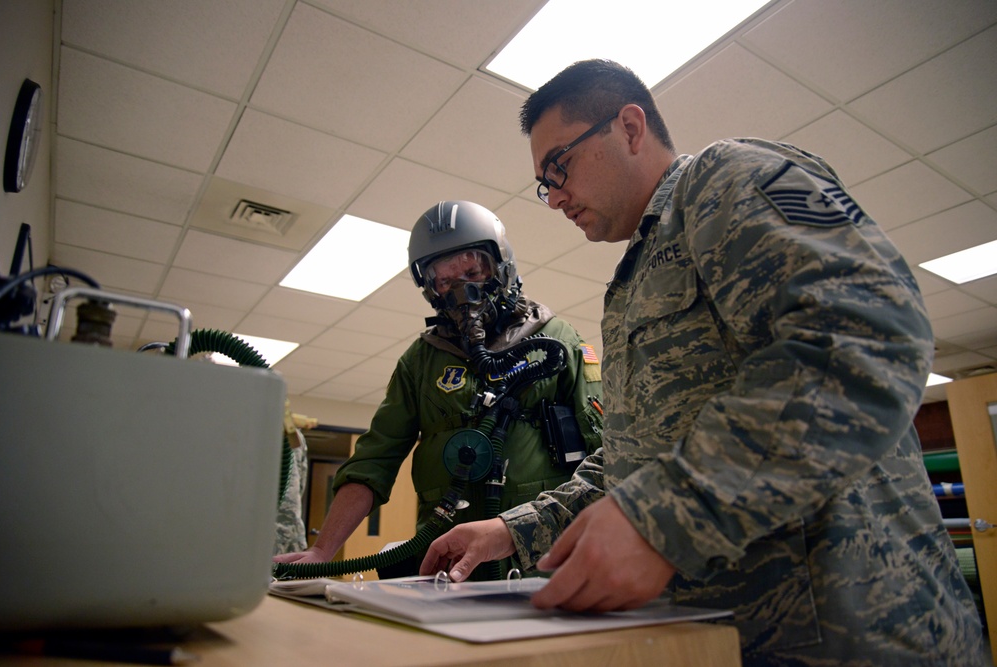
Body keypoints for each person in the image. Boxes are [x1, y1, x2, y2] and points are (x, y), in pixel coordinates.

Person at [419, 60, 985, 665]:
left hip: (857, 632)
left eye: (559, 166)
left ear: (630, 128)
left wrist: (662, 517)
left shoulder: (726, 180)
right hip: (725, 637)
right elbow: (637, 461)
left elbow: (864, 335)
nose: (554, 196)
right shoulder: (632, 282)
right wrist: (513, 530)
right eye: (544, 183)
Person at [273, 200, 603, 578]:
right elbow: (372, 461)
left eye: (472, 270)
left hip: (539, 558)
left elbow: (610, 454)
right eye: (444, 280)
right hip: (446, 564)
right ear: (430, 288)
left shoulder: (558, 342)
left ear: (501, 265)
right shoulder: (421, 361)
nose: (462, 290)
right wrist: (322, 549)